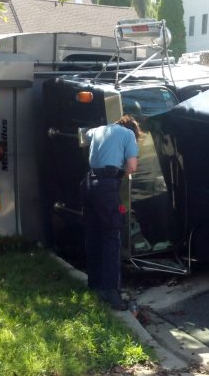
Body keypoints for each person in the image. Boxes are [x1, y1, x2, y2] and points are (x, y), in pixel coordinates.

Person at [80, 115, 140, 311]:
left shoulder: (98, 130)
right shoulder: (128, 134)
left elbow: (83, 136)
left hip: (88, 183)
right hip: (107, 186)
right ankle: (111, 292)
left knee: (94, 236)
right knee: (112, 237)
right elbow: (131, 166)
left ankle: (94, 285)